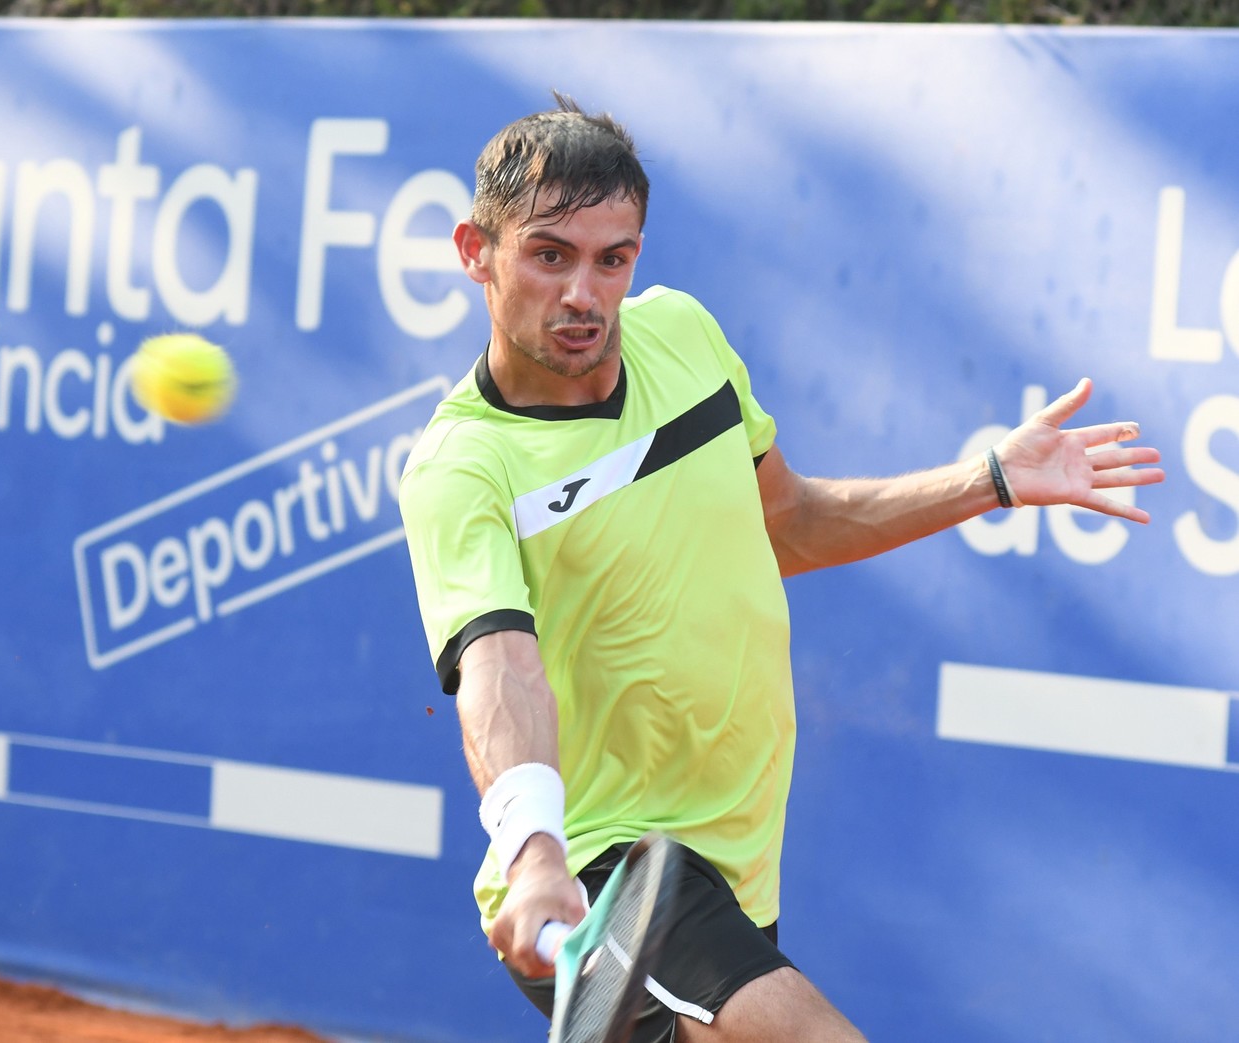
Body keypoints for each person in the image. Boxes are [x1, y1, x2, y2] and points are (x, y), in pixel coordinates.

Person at [397, 94, 1164, 1043]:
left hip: (733, 857)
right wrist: (534, 850)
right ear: (476, 251)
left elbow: (787, 521)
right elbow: (499, 670)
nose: (584, 294)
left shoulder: (682, 335)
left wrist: (988, 479)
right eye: (549, 256)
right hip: (607, 869)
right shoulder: (462, 467)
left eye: (612, 258)